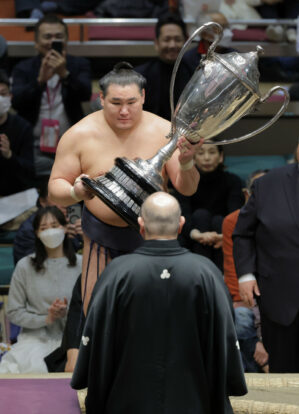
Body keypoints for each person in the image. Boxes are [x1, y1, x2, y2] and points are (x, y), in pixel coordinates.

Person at [71, 192, 247, 414]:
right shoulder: (206, 271)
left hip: (127, 400)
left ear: (141, 224)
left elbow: (97, 337)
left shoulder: (117, 272)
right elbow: (225, 338)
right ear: (181, 224)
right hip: (194, 399)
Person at [48, 61, 202, 314]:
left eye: (131, 102)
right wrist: (76, 192)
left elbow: (187, 189)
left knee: (154, 314)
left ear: (143, 96)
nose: (124, 111)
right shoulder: (79, 134)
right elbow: (55, 188)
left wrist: (186, 163)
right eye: (116, 103)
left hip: (153, 236)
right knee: (97, 312)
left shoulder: (165, 131)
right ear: (100, 98)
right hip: (100, 236)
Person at [233, 142, 299, 373]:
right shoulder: (267, 184)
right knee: (284, 372)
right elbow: (242, 233)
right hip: (280, 296)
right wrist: (246, 275)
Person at [0, 206, 82, 373]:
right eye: (44, 228)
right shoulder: (25, 266)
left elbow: (91, 309)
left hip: (73, 342)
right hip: (34, 340)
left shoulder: (82, 264)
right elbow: (14, 311)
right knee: (23, 368)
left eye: (55, 226)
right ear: (36, 233)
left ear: (65, 228)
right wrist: (47, 318)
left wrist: (68, 313)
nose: (50, 232)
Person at [11, 14, 92, 180]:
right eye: (47, 37)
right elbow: (17, 102)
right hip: (31, 145)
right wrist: (40, 81)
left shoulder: (79, 64)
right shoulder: (23, 68)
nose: (52, 41)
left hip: (70, 145)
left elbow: (85, 94)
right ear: (36, 43)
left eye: (58, 37)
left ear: (66, 41)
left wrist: (65, 74)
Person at [222, 169, 269, 373]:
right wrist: (258, 340)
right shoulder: (233, 221)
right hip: (247, 300)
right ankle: (253, 382)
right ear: (247, 194)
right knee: (240, 319)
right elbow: (233, 273)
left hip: (278, 300)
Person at [172, 143, 244, 270]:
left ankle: (214, 275)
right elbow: (182, 213)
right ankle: (204, 274)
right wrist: (196, 234)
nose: (206, 158)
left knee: (219, 221)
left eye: (211, 152)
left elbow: (235, 214)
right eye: (200, 153)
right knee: (201, 215)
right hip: (192, 234)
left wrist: (224, 236)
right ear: (193, 157)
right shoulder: (185, 180)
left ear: (221, 156)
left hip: (223, 235)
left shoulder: (233, 181)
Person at [135, 13, 192, 121]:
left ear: (185, 42)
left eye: (178, 39)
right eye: (167, 39)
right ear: (156, 43)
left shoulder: (195, 74)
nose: (172, 45)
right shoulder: (139, 76)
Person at [13, 180, 83, 264]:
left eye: (67, 198)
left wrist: (87, 237)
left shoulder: (75, 213)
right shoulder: (29, 228)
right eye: (57, 199)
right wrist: (59, 237)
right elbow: (28, 266)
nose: (64, 204)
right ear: (42, 202)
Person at [0, 70, 35, 197]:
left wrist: (9, 155)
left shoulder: (22, 127)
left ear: (10, 96)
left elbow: (30, 171)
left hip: (15, 195)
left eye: (2, 94)